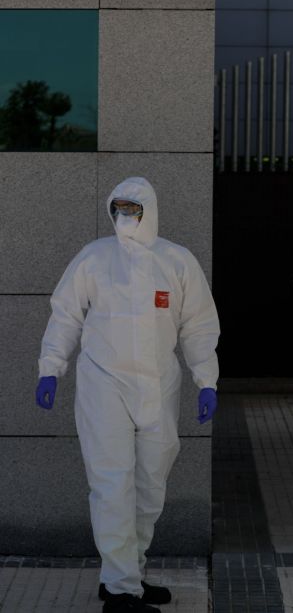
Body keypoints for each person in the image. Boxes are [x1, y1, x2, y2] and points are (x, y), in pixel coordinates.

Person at [34, 177, 221, 613]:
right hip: (104, 386)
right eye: (117, 207)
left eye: (132, 208)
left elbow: (198, 325)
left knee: (150, 485)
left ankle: (126, 572)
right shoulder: (95, 258)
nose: (124, 216)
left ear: (148, 210)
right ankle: (120, 593)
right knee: (112, 484)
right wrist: (50, 369)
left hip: (160, 385)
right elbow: (65, 316)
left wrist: (206, 379)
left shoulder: (176, 261)